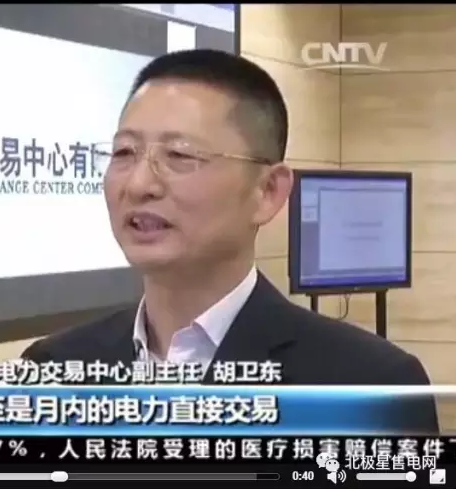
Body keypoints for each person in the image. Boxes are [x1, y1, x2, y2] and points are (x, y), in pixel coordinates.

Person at [22, 49, 438, 433]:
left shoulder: (368, 387)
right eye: (124, 153)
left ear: (267, 192)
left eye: (180, 155)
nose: (139, 184)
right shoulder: (51, 370)